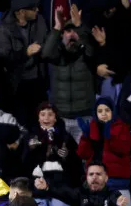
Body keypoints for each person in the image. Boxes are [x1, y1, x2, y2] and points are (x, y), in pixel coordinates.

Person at [77, 97, 131, 206]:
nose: (103, 114)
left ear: (113, 112)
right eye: (100, 111)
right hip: (96, 182)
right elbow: (82, 154)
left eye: (107, 110)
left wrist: (111, 136)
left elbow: (124, 149)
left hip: (117, 181)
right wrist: (85, 137)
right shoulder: (92, 128)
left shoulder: (121, 127)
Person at [41, 14, 98, 143]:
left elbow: (91, 51)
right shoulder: (56, 54)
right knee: (60, 157)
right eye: (68, 31)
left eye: (75, 31)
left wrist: (81, 29)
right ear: (62, 34)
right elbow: (46, 53)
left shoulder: (87, 53)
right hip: (61, 117)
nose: (72, 34)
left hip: (84, 116)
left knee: (86, 157)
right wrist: (57, 27)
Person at [0, 0, 49, 124]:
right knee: (23, 121)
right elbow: (3, 58)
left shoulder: (39, 21)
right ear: (22, 12)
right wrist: (25, 52)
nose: (37, 10)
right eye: (34, 8)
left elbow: (46, 41)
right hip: (19, 84)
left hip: (39, 79)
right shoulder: (5, 30)